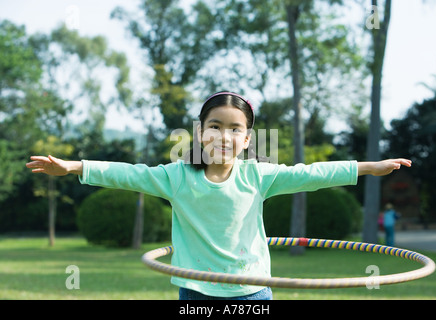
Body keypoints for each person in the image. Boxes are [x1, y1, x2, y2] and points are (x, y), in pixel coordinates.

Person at [26, 91, 412, 300]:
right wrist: (74, 167)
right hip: (195, 291)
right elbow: (128, 174)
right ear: (199, 133)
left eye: (234, 129)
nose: (223, 136)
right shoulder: (176, 177)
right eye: (214, 126)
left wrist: (367, 167)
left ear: (247, 139)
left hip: (253, 291)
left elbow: (311, 174)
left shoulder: (258, 176)